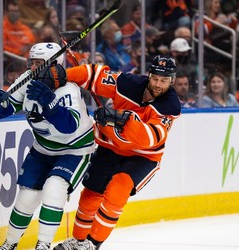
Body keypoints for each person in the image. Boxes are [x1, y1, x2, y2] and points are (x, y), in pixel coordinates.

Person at [54, 55, 181, 250]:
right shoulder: (128, 84)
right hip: (111, 148)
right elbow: (95, 75)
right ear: (149, 75)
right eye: (155, 78)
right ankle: (78, 241)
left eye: (164, 81)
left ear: (171, 81)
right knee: (91, 193)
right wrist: (61, 75)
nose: (158, 84)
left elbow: (149, 138)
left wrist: (121, 119)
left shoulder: (170, 105)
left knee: (118, 189)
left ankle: (93, 243)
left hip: (143, 156)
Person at [0, 42, 95, 250]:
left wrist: (50, 105)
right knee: (27, 196)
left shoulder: (68, 89)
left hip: (75, 150)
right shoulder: (27, 81)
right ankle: (10, 244)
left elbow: (69, 126)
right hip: (43, 149)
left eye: (39, 63)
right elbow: (5, 109)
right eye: (32, 62)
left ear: (54, 65)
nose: (33, 68)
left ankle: (43, 244)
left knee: (54, 188)